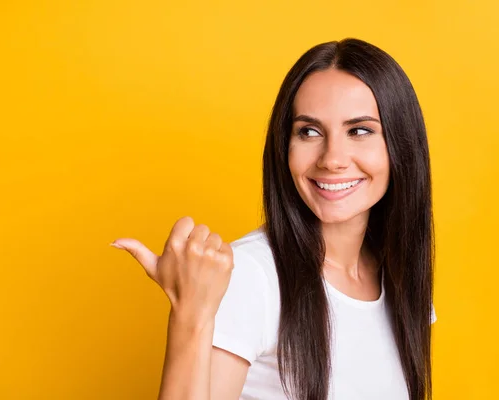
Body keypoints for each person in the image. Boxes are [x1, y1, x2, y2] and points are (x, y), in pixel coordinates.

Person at [111, 38, 437, 400]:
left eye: (359, 130)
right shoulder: (252, 276)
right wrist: (190, 313)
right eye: (309, 132)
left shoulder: (399, 275)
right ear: (284, 147)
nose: (332, 158)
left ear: (401, 144)